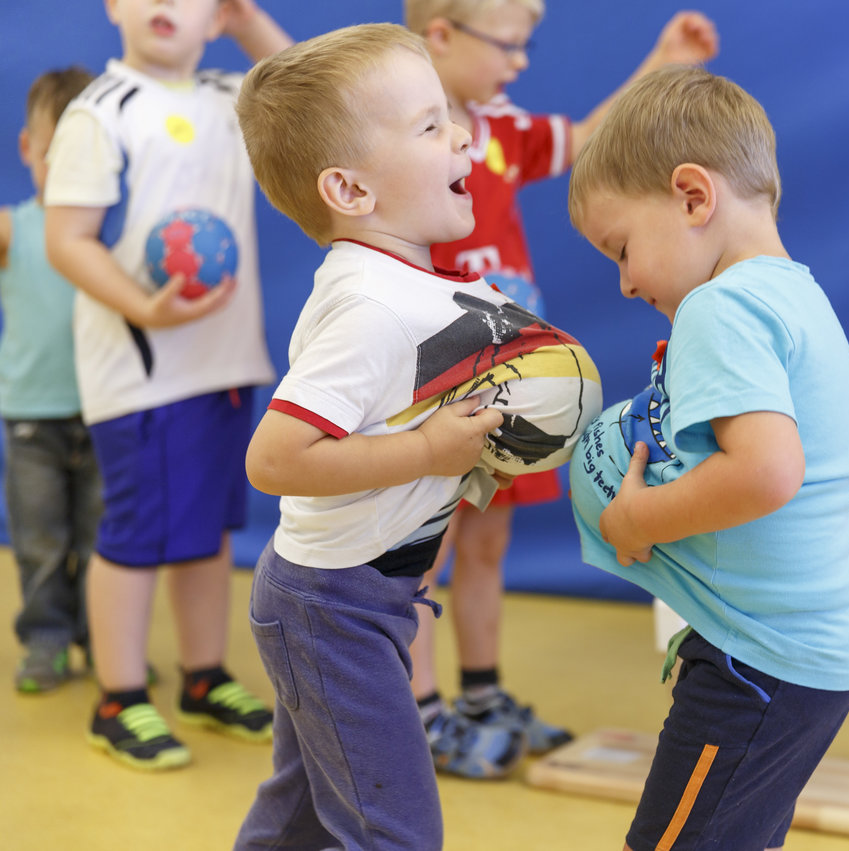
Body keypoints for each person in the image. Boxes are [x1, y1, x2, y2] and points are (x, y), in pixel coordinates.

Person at [232, 23, 601, 848]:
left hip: (357, 598)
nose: (462, 134)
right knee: (397, 831)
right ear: (352, 191)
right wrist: (431, 453)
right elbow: (274, 458)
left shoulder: (416, 281)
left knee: (300, 812)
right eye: (430, 126)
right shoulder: (367, 307)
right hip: (333, 607)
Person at [403, 0, 720, 778]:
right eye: (506, 47)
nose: (519, 63)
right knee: (424, 551)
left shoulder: (500, 124)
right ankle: (419, 711)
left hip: (511, 381)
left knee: (488, 540)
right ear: (439, 35)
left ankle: (481, 692)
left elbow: (583, 139)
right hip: (436, 383)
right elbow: (316, 101)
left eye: (525, 46)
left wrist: (664, 56)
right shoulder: (401, 129)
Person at [566, 66, 849, 851]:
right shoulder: (790, 293)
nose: (627, 281)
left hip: (761, 659)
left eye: (623, 248)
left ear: (694, 197)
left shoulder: (723, 306)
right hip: (787, 649)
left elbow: (768, 470)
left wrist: (636, 514)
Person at [43, 0, 292, 771]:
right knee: (139, 531)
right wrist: (143, 308)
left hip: (224, 363)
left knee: (207, 531)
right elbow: (67, 240)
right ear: (114, 5)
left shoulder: (232, 95)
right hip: (143, 371)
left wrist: (251, 26)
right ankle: (117, 696)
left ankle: (203, 674)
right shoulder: (98, 111)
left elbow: (316, 88)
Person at [0, 67, 98, 694]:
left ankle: (103, 637)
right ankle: (46, 639)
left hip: (104, 413)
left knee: (101, 542)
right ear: (26, 149)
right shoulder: (14, 227)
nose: (61, 169)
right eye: (49, 153)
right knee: (38, 540)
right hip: (32, 417)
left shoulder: (102, 233)